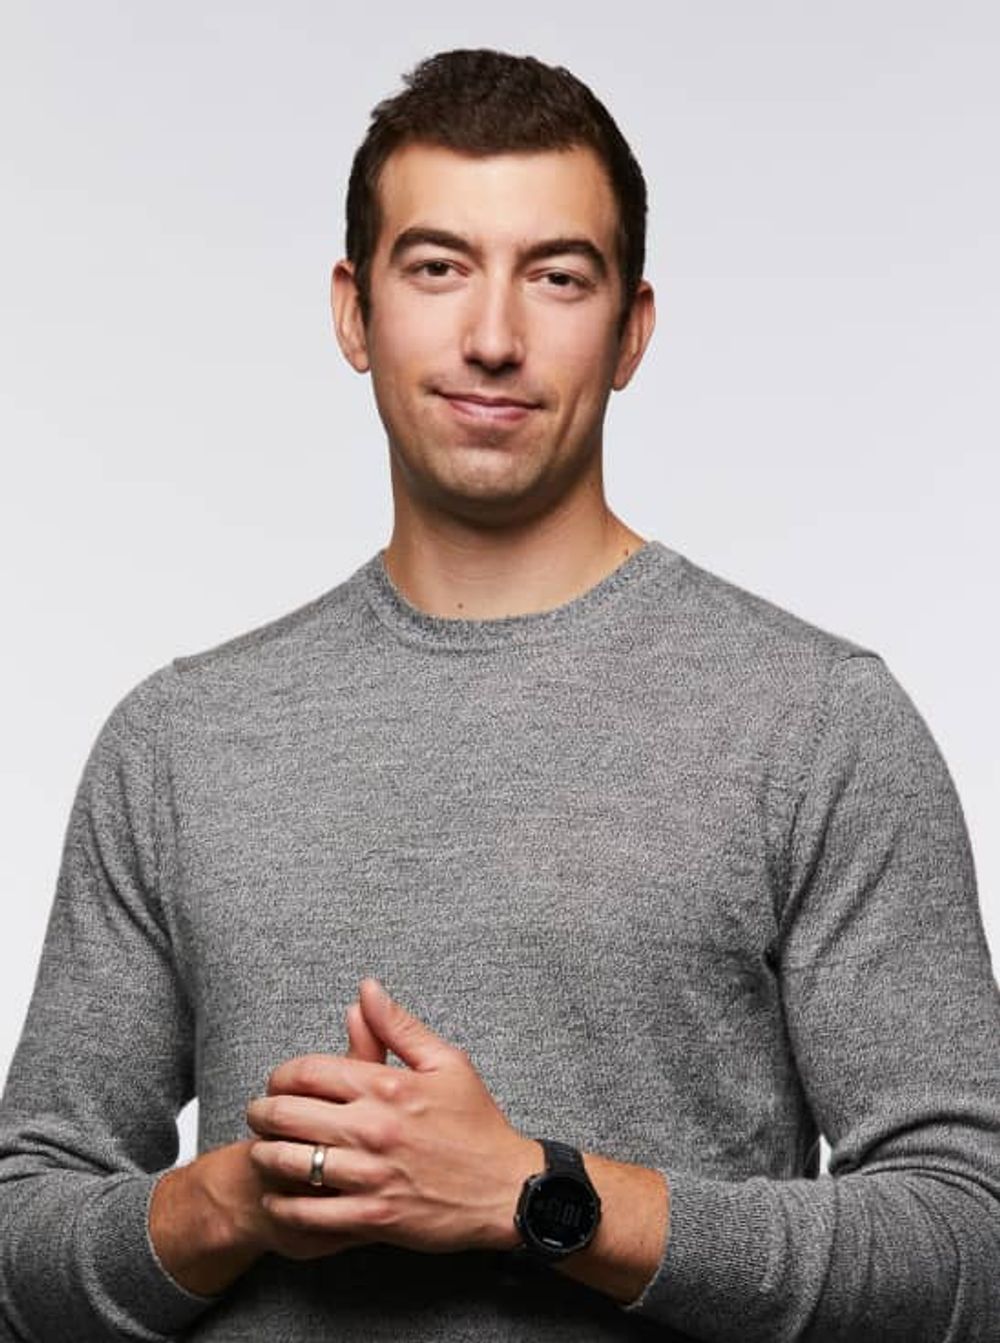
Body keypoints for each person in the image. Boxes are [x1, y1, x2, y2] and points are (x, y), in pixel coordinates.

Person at [1, 47, 998, 1343]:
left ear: (631, 330)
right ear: (354, 312)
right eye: (438, 267)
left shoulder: (817, 725)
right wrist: (236, 1201)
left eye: (557, 276)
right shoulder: (180, 743)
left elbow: (969, 1248)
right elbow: (20, 1250)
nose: (492, 337)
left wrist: (535, 1196)